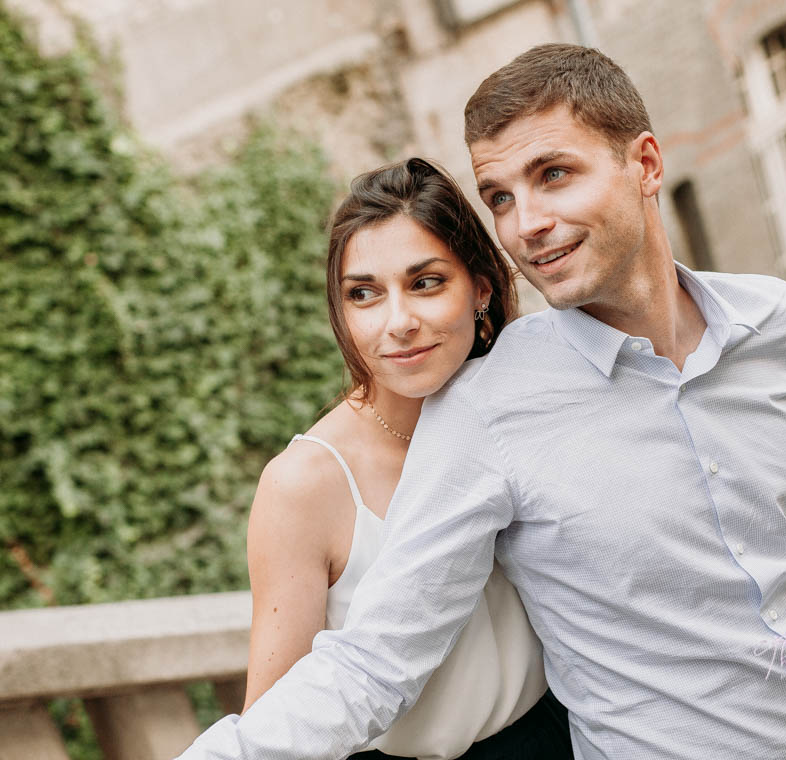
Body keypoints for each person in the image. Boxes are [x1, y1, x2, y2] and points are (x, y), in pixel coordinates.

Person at [178, 44, 786, 760]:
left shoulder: (779, 319)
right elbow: (372, 660)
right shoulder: (484, 410)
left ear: (644, 164)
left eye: (553, 175)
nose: (526, 224)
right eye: (500, 197)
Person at [241, 157, 573, 760]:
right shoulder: (304, 483)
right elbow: (276, 716)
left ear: (481, 287)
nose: (399, 323)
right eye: (364, 294)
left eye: (425, 282)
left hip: (563, 739)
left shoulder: (535, 410)